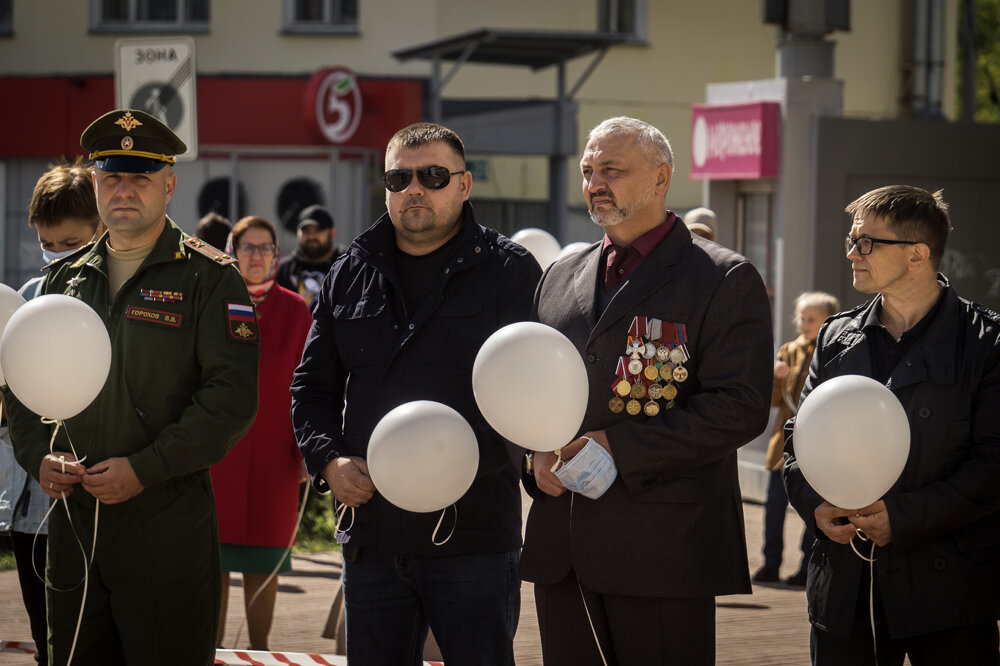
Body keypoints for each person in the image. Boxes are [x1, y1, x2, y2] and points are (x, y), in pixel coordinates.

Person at [3, 108, 259, 666]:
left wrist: (143, 468)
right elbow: (21, 388)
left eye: (140, 178)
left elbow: (230, 401)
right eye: (112, 177)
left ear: (169, 186)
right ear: (94, 183)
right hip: (72, 531)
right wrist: (37, 457)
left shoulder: (210, 278)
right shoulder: (61, 280)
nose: (124, 191)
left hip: (165, 529)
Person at [519, 116, 773, 665]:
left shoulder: (722, 278)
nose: (595, 183)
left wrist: (616, 448)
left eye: (612, 169)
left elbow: (740, 407)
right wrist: (533, 453)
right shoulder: (560, 276)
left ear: (662, 178)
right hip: (562, 546)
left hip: (664, 549)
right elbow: (531, 389)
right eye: (588, 171)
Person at [291, 122, 541, 665]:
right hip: (373, 534)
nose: (414, 188)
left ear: (465, 184)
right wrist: (329, 462)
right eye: (398, 176)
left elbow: (527, 398)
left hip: (471, 533)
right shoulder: (349, 272)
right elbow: (311, 389)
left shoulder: (508, 271)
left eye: (432, 175)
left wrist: (448, 466)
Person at [783, 185, 1000, 666]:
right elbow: (798, 439)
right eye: (851, 239)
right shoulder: (835, 337)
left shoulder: (986, 342)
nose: (851, 253)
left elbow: (993, 465)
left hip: (949, 593)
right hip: (845, 591)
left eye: (866, 242)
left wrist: (903, 518)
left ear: (918, 254)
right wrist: (816, 506)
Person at [0, 159, 105, 666]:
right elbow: (13, 412)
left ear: (100, 228)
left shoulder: (115, 305)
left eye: (71, 244)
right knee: (48, 646)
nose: (57, 256)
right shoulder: (25, 301)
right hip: (32, 510)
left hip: (97, 503)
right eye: (48, 245)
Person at [211, 215, 312, 650]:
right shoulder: (212, 300)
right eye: (247, 247)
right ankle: (209, 654)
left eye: (265, 247)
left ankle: (259, 654)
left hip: (276, 456)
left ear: (276, 254)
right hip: (216, 454)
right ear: (231, 251)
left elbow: (311, 388)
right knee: (211, 562)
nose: (256, 255)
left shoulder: (296, 309)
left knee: (265, 560)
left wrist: (311, 447)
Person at [753, 291, 840, 587]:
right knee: (774, 506)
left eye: (811, 319)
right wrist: (776, 378)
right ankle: (770, 562)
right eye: (801, 318)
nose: (804, 324)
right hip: (784, 445)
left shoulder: (835, 350)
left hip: (819, 444)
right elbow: (775, 401)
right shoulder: (789, 350)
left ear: (827, 320)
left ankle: (806, 565)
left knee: (812, 507)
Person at [276, 204, 345, 308]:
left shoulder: (348, 266)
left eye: (318, 231)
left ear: (333, 232)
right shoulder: (283, 269)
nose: (312, 237)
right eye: (306, 231)